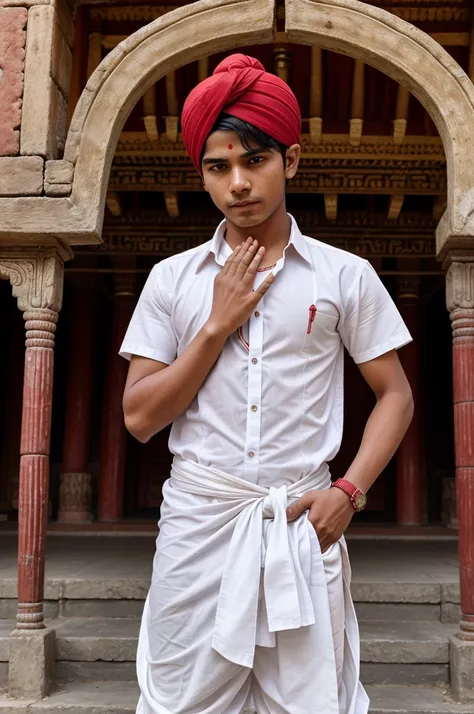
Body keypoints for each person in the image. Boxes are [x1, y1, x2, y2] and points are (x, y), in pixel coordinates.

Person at [120, 53, 414, 714]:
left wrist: (349, 492)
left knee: (310, 701)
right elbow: (139, 418)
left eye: (255, 161)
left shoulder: (344, 276)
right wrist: (216, 325)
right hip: (199, 522)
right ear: (202, 173)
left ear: (293, 161)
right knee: (179, 700)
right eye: (218, 167)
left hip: (304, 522)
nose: (238, 184)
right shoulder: (173, 281)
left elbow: (396, 395)